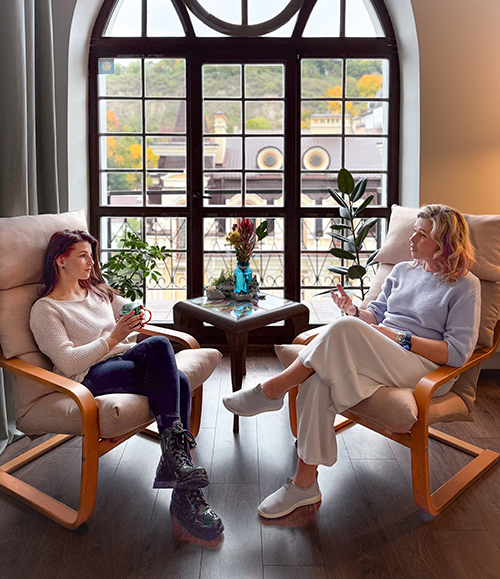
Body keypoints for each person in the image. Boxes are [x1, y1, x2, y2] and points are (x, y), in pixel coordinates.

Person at [223, 205, 481, 519]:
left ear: (445, 244)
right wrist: (355, 311)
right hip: (383, 353)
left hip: (425, 366)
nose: (412, 238)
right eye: (414, 230)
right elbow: (377, 316)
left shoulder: (465, 286)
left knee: (344, 331)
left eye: (422, 234)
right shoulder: (403, 270)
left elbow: (457, 352)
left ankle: (273, 390)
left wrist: (399, 337)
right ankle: (304, 484)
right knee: (318, 382)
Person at [29, 230, 223, 544]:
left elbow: (128, 316)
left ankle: (178, 475)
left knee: (174, 370)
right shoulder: (46, 309)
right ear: (60, 261)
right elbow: (68, 362)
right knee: (170, 365)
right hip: (88, 375)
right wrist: (113, 338)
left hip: (124, 358)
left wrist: (136, 315)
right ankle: (183, 480)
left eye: (92, 255)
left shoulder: (97, 291)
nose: (91, 262)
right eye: (83, 255)